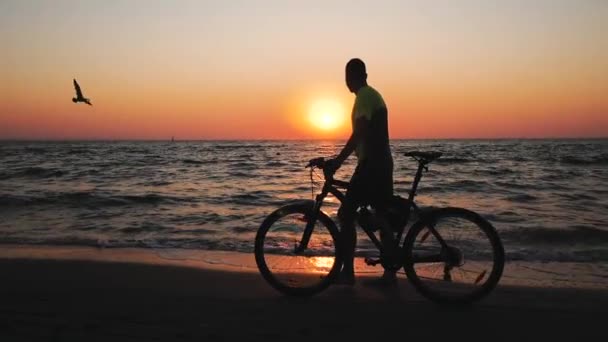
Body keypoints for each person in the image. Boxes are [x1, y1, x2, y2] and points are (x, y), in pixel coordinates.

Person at [325, 58, 396, 286]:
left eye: (351, 76)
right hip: (381, 162)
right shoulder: (371, 95)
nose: (348, 81)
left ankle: (347, 273)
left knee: (346, 214)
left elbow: (360, 134)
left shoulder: (365, 97)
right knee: (382, 213)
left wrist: (337, 161)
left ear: (362, 76)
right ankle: (391, 269)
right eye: (346, 77)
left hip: (372, 165)